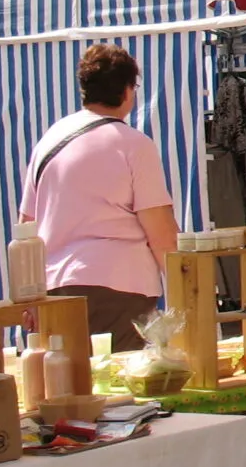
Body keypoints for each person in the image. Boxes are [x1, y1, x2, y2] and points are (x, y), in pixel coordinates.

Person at [18, 44, 177, 352]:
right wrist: (186, 289)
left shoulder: (49, 140)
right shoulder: (133, 145)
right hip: (119, 287)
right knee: (119, 390)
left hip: (54, 287)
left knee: (64, 387)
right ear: (129, 91)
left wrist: (26, 297)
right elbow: (162, 235)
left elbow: (26, 227)